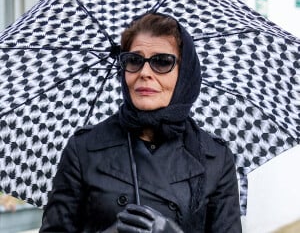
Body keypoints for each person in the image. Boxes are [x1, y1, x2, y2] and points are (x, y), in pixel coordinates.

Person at [40, 13, 242, 232]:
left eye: (162, 62)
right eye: (134, 60)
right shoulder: (85, 148)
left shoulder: (214, 157)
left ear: (184, 74)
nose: (144, 73)